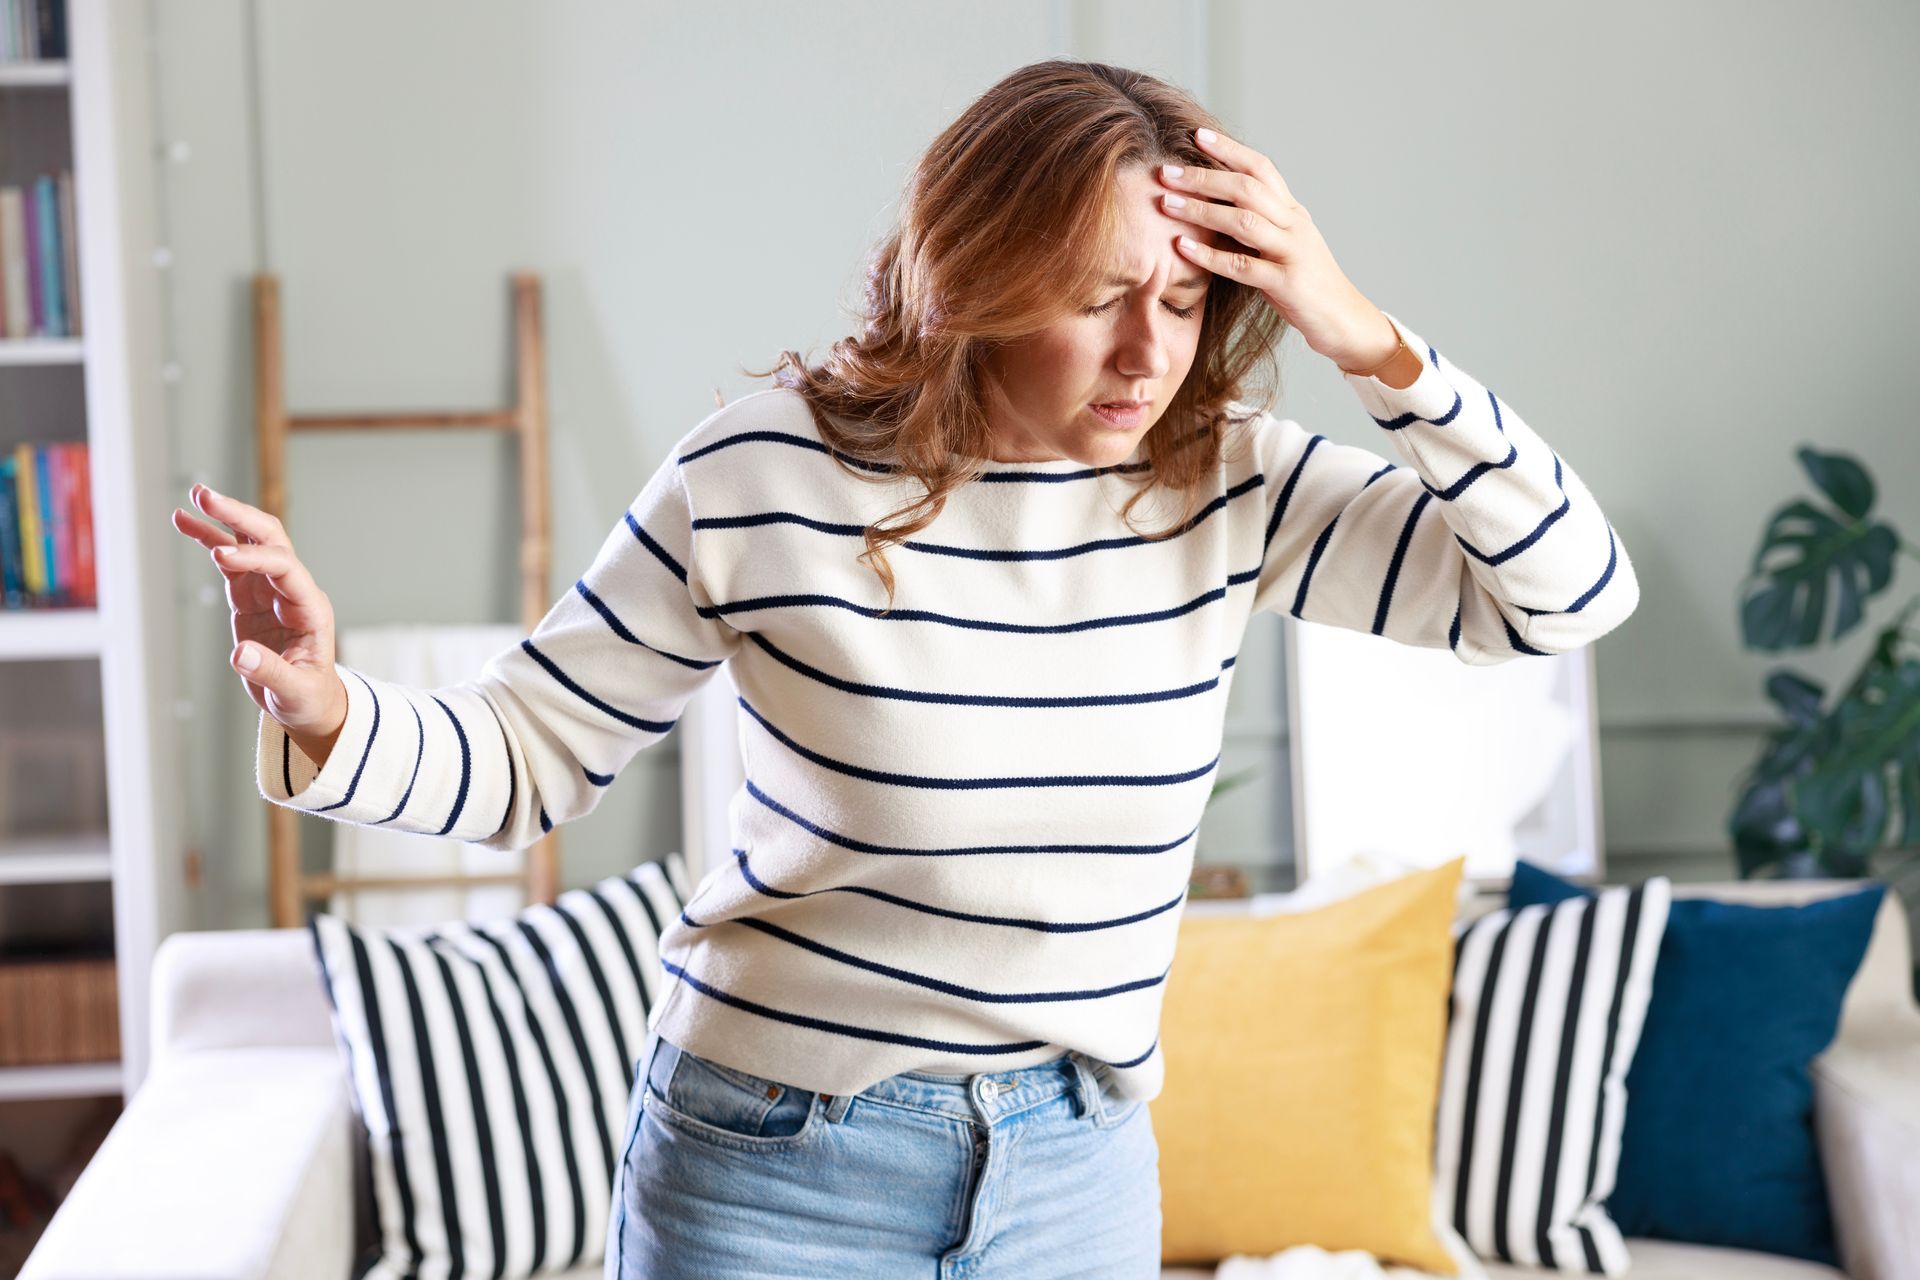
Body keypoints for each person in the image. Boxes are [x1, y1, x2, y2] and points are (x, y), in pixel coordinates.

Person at [171, 57, 1638, 1280]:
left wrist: (1369, 340)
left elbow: (1563, 596)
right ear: (979, 277)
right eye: (1095, 294)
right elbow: (524, 760)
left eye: (1188, 305)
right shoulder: (762, 473)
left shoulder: (1229, 485)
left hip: (1079, 1180)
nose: (1148, 354)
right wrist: (329, 706)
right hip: (770, 1181)